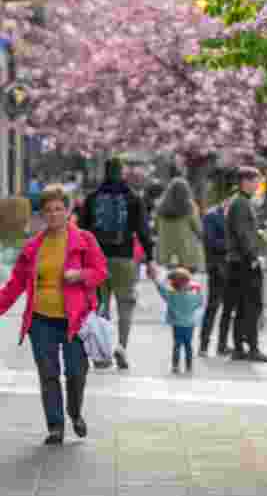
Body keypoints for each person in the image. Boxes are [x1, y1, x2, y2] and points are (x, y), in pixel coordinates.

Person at [0, 185, 108, 445]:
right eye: (48, 210)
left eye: (59, 209)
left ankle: (75, 412)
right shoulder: (33, 246)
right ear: (42, 214)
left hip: (75, 320)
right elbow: (15, 284)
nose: (54, 215)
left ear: (68, 211)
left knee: (75, 372)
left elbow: (101, 272)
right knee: (48, 373)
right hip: (40, 320)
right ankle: (56, 426)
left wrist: (80, 275)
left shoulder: (85, 240)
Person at [79, 158, 153, 370]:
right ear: (122, 173)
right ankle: (121, 346)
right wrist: (150, 259)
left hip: (97, 260)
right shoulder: (133, 198)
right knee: (125, 305)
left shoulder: (92, 198)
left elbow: (82, 231)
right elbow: (143, 231)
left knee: (101, 305)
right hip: (124, 259)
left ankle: (102, 354)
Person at [225, 167, 267, 363]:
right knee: (251, 305)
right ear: (245, 181)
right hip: (244, 262)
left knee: (243, 306)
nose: (257, 185)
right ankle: (251, 348)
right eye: (255, 181)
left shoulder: (240, 202)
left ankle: (239, 347)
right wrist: (253, 257)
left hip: (238, 261)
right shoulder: (241, 204)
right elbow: (243, 235)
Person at [147, 265, 204, 374]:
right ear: (186, 283)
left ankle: (175, 366)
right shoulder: (192, 297)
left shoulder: (172, 296)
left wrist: (155, 279)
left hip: (177, 324)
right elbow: (200, 302)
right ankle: (189, 366)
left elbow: (161, 290)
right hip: (189, 325)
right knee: (188, 345)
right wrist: (198, 291)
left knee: (177, 344)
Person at [199, 199, 231, 356]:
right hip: (217, 267)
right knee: (213, 306)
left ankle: (222, 345)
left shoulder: (233, 215)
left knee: (228, 308)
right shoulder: (211, 216)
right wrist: (232, 244)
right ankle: (204, 345)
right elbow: (210, 241)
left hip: (231, 266)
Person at [155, 178, 206, 276]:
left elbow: (156, 228)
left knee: (170, 283)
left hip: (166, 253)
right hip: (187, 254)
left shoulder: (160, 206)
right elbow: (198, 229)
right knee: (187, 284)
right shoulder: (190, 206)